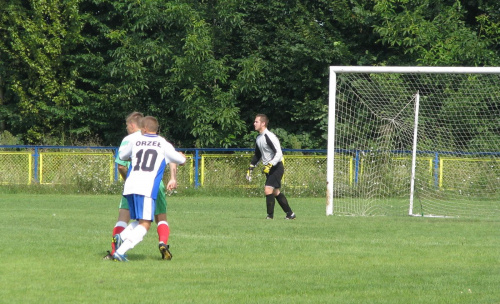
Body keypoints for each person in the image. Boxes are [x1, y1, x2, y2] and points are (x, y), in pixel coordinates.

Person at [103, 112, 178, 261]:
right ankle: (162, 242)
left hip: (133, 184)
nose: (126, 128)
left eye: (126, 125)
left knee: (124, 218)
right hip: (154, 185)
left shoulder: (129, 140)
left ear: (133, 125)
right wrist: (173, 178)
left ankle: (115, 250)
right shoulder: (159, 140)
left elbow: (121, 166)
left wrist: (128, 180)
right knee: (158, 217)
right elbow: (172, 157)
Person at [246, 114, 296, 220]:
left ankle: (270, 216)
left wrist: (270, 164)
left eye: (256, 122)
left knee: (268, 189)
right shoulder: (259, 138)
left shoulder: (269, 136)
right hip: (268, 169)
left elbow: (278, 153)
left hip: (276, 167)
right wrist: (251, 167)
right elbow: (257, 155)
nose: (254, 123)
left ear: (263, 123)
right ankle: (290, 214)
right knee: (275, 192)